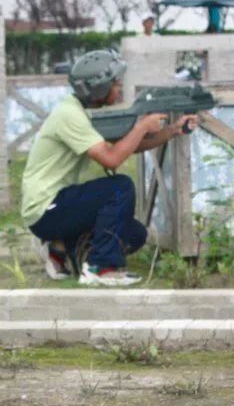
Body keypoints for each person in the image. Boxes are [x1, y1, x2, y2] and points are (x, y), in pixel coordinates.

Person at [21, 50, 198, 286]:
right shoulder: (69, 115)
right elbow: (112, 159)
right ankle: (100, 268)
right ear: (99, 88)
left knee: (135, 234)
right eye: (116, 83)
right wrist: (142, 127)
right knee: (119, 187)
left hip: (56, 204)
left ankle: (61, 248)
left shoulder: (79, 112)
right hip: (45, 208)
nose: (120, 87)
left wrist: (173, 130)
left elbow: (127, 146)